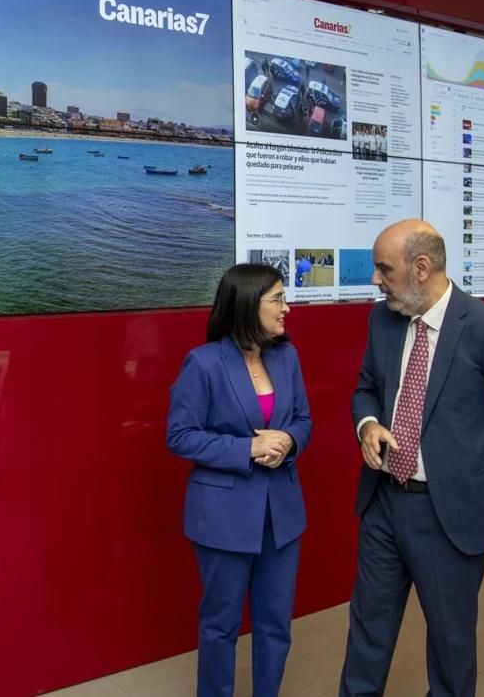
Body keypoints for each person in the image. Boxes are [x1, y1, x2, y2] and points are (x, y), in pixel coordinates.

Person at [338, 219, 484, 697]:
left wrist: (465, 461)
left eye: (383, 269)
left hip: (449, 512)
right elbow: (367, 388)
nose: (375, 280)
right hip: (383, 505)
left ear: (421, 267)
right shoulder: (383, 319)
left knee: (451, 646)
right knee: (367, 632)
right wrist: (367, 424)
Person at [167, 263, 314, 697]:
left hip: (281, 515)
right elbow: (180, 436)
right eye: (278, 300)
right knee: (220, 625)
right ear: (249, 304)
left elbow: (304, 419)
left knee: (275, 624)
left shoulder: (287, 356)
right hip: (224, 516)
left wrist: (288, 438)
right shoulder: (204, 362)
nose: (287, 309)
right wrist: (246, 449)